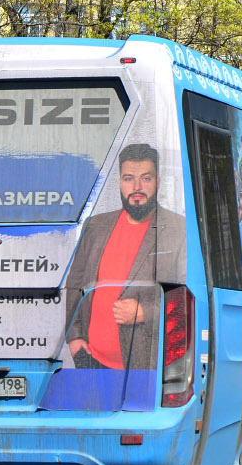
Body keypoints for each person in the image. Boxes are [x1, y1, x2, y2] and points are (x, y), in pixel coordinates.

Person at [63, 143, 187, 370]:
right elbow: (75, 284)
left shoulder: (180, 230)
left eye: (146, 179)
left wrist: (145, 312)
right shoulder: (95, 226)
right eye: (129, 179)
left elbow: (188, 296)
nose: (137, 187)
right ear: (120, 182)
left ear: (158, 182)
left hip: (148, 368)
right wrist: (74, 337)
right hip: (91, 362)